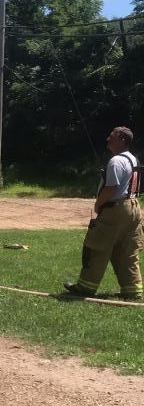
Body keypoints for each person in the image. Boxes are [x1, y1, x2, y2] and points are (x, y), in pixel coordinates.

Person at [64, 126, 143, 300]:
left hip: (116, 209)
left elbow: (111, 187)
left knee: (97, 247)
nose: (108, 139)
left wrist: (98, 205)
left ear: (122, 139)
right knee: (127, 251)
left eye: (112, 136)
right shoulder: (133, 159)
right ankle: (133, 290)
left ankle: (86, 287)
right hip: (134, 208)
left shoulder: (116, 161)